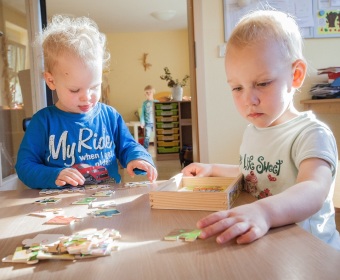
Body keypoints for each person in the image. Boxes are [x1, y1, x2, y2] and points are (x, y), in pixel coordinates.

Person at [182, 9, 340, 250]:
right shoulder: (253, 131)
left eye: (262, 83)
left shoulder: (311, 134)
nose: (249, 100)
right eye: (237, 88)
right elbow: (256, 174)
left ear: (295, 75)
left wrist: (263, 212)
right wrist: (213, 168)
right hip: (271, 245)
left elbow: (314, 188)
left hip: (312, 251)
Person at [16, 15, 157, 189]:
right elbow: (24, 166)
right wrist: (54, 174)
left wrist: (139, 158)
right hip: (62, 208)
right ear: (51, 81)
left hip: (107, 202)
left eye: (94, 87)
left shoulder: (110, 116)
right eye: (75, 90)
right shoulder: (43, 122)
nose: (87, 97)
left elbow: (128, 146)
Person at [140, 85, 158, 150]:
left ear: (153, 93)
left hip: (155, 123)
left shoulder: (156, 102)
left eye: (150, 92)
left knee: (157, 136)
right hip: (148, 123)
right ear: (145, 94)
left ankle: (157, 148)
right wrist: (142, 122)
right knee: (147, 136)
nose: (148, 94)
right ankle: (145, 149)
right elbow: (142, 113)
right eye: (146, 93)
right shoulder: (144, 103)